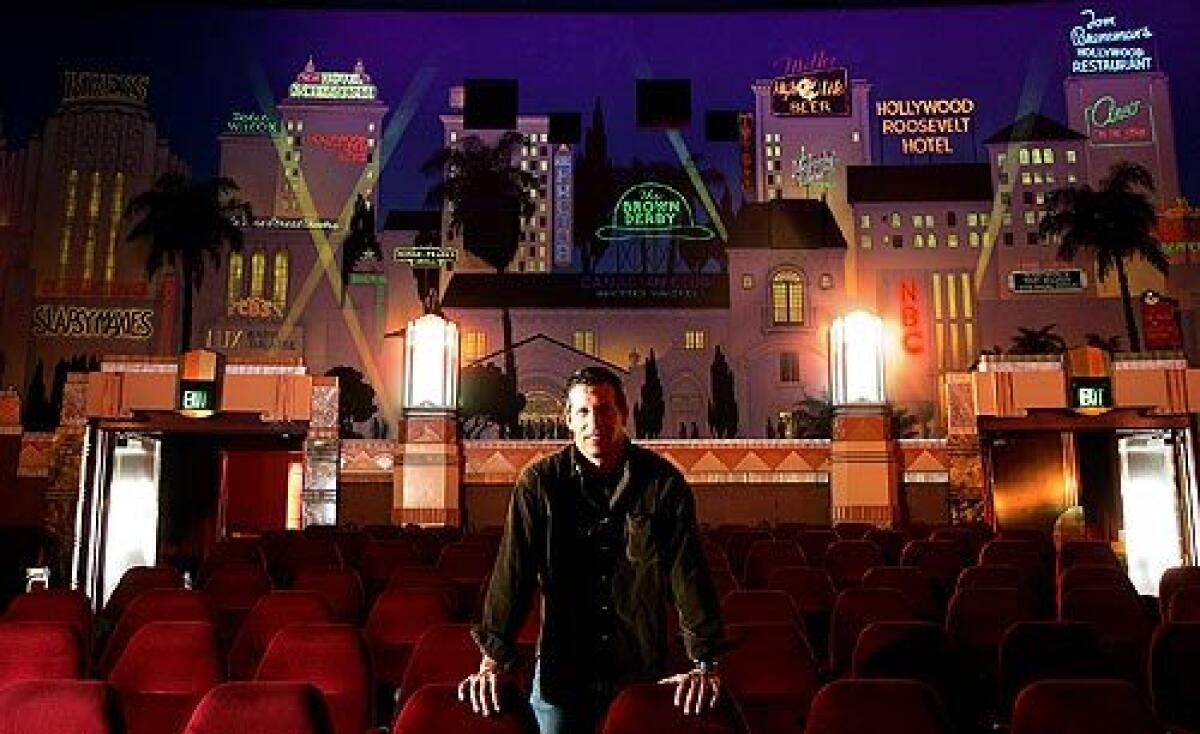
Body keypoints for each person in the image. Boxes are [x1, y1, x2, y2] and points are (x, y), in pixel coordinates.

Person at [459, 366, 724, 733]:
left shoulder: (663, 483)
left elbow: (687, 572)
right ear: (568, 418)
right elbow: (512, 575)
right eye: (583, 412)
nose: (594, 422)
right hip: (563, 671)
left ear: (623, 414)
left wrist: (705, 663)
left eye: (604, 410)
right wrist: (491, 661)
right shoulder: (539, 485)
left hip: (637, 668)